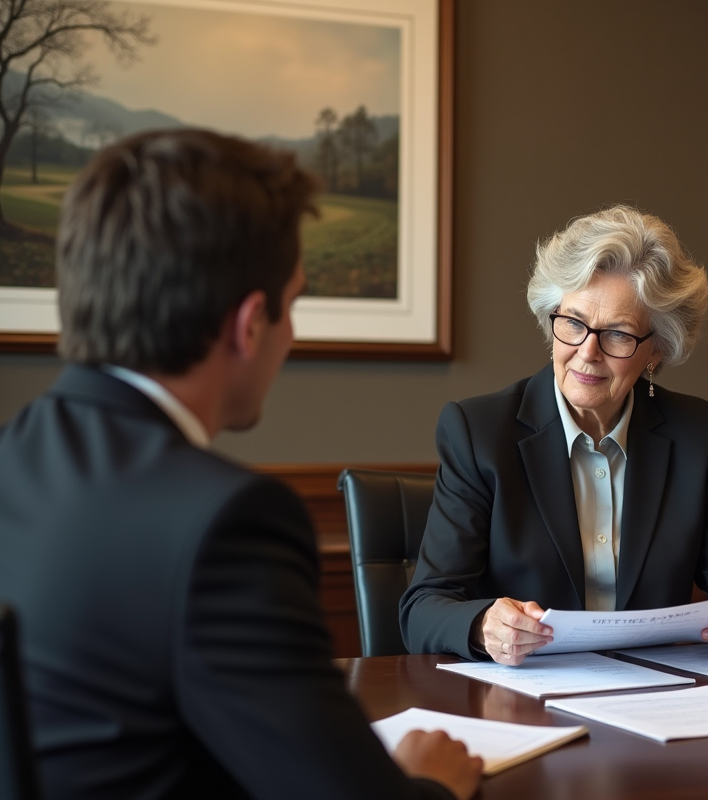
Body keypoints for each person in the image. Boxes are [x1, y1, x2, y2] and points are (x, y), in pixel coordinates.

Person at [0, 130, 482, 800]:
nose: (292, 334)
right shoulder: (225, 523)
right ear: (250, 323)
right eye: (295, 304)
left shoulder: (15, 454)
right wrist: (432, 783)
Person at [400, 205, 708, 665]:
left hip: (655, 691)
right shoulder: (479, 433)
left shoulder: (693, 433)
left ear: (655, 350)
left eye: (618, 334)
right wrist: (483, 626)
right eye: (573, 323)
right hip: (528, 691)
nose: (587, 352)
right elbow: (423, 610)